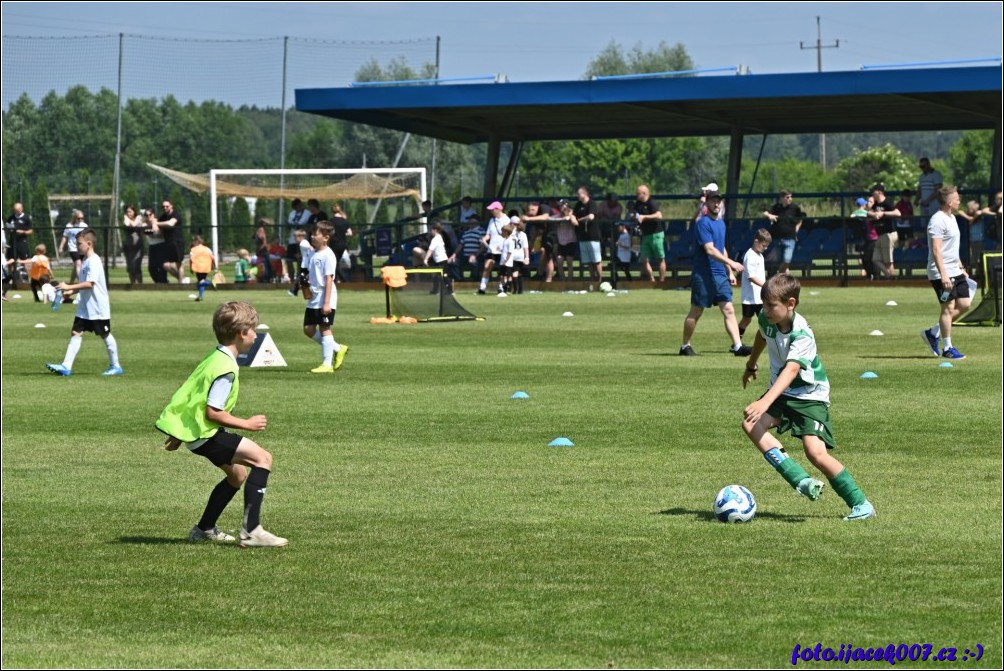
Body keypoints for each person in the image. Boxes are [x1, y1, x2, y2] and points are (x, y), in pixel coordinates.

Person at [741, 273, 875, 521]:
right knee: (751, 423)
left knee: (815, 452)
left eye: (771, 305)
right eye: (764, 304)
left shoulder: (802, 333)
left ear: (790, 304)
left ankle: (861, 504)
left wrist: (764, 401)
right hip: (782, 391)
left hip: (810, 396)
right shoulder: (766, 318)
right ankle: (801, 481)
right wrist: (751, 364)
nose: (765, 310)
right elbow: (762, 335)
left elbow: (792, 369)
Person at [155, 301, 288, 547]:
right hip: (206, 434)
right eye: (253, 330)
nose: (256, 335)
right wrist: (247, 423)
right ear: (242, 333)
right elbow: (213, 412)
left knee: (237, 475)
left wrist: (179, 434)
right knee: (263, 459)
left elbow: (190, 395)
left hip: (198, 434)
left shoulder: (214, 357)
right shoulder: (226, 367)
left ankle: (204, 529)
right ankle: (252, 531)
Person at [679, 192, 750, 357]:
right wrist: (732, 262)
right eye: (713, 201)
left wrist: (729, 271)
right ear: (707, 204)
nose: (716, 204)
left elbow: (721, 248)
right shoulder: (703, 223)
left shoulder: (721, 223)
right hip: (703, 275)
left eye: (719, 201)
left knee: (729, 309)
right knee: (696, 311)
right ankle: (685, 346)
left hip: (720, 275)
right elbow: (710, 249)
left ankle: (738, 347)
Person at [45, 229, 123, 377]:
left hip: (97, 307)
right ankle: (66, 366)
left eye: (79, 244)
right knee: (76, 332)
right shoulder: (85, 261)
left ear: (89, 243)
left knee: (105, 334)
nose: (77, 247)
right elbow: (83, 285)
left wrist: (68, 286)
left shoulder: (94, 261)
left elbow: (90, 284)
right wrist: (70, 292)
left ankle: (116, 365)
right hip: (85, 307)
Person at [921, 186, 971, 361]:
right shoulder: (937, 220)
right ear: (949, 202)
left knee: (965, 304)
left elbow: (951, 247)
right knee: (948, 308)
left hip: (955, 270)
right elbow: (936, 249)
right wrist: (943, 275)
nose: (959, 201)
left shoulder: (952, 218)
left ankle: (933, 332)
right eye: (957, 199)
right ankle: (948, 348)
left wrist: (960, 267)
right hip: (940, 272)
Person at [302, 222, 348, 374]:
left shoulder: (328, 255)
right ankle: (337, 348)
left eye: (316, 234)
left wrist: (326, 303)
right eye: (312, 234)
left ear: (326, 238)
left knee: (324, 328)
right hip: (314, 297)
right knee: (308, 329)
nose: (312, 237)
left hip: (325, 296)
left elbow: (329, 280)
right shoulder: (312, 253)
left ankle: (327, 364)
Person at [737, 228, 771, 337]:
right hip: (749, 297)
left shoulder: (760, 255)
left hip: (759, 296)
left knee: (766, 319)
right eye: (763, 245)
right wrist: (766, 285)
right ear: (756, 241)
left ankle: (768, 339)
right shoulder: (750, 256)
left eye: (767, 246)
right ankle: (736, 341)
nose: (765, 248)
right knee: (746, 320)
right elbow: (751, 277)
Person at [762, 190, 804, 275]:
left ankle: (779, 274)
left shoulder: (795, 208)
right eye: (787, 197)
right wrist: (770, 215)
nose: (790, 199)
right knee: (780, 263)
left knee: (787, 260)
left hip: (790, 238)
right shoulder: (776, 207)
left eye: (791, 197)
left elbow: (800, 220)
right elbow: (764, 213)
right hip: (777, 239)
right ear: (782, 198)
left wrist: (796, 230)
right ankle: (784, 279)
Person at [633, 185, 665, 283]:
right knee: (644, 259)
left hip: (656, 234)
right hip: (645, 235)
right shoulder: (638, 203)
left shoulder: (652, 202)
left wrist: (644, 217)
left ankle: (662, 281)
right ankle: (652, 279)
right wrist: (633, 216)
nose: (636, 195)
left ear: (644, 193)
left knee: (660, 258)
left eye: (638, 194)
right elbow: (635, 213)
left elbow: (659, 215)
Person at [867, 185, 901, 277]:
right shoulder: (875, 204)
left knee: (888, 261)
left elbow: (898, 213)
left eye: (874, 191)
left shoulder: (887, 202)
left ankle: (892, 279)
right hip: (880, 235)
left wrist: (883, 213)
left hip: (888, 234)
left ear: (879, 192)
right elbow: (867, 212)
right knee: (875, 259)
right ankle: (890, 276)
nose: (872, 193)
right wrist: (871, 210)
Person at [478, 201, 508, 294]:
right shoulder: (492, 220)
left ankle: (502, 288)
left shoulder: (507, 220)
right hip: (492, 248)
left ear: (498, 209)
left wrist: (502, 246)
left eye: (493, 209)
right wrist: (484, 239)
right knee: (487, 267)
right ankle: (482, 288)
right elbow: (489, 234)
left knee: (503, 270)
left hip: (502, 249)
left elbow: (508, 235)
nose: (491, 211)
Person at [574, 186, 602, 282]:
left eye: (579, 194)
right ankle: (592, 280)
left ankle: (599, 281)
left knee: (596, 260)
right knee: (588, 261)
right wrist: (573, 218)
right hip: (583, 237)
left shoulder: (592, 203)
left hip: (593, 237)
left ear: (584, 194)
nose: (577, 196)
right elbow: (573, 215)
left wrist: (579, 220)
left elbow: (591, 217)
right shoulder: (578, 205)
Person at [157, 200, 187, 283]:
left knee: (179, 264)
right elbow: (155, 225)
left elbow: (171, 224)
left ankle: (181, 284)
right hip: (168, 244)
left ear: (171, 206)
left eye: (167, 206)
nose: (165, 208)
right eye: (163, 207)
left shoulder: (175, 214)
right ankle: (183, 280)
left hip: (177, 242)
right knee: (165, 265)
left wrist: (156, 223)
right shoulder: (163, 217)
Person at [5, 202, 34, 284]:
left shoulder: (26, 218)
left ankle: (28, 280)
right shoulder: (11, 218)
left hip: (22, 242)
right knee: (11, 261)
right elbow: (7, 228)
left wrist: (22, 232)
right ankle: (11, 279)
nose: (16, 212)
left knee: (24, 261)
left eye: (18, 210)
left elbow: (31, 231)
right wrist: (10, 230)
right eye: (15, 210)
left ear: (22, 209)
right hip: (12, 242)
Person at [59, 209, 89, 284]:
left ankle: (71, 283)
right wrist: (61, 247)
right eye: (79, 218)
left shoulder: (84, 226)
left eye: (82, 218)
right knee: (78, 264)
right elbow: (65, 237)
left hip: (81, 249)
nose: (80, 220)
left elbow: (88, 237)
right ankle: (81, 283)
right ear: (75, 217)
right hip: (72, 248)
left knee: (76, 266)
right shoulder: (69, 226)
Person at [285, 198, 312, 281]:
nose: (298, 207)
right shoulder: (292, 213)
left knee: (301, 260)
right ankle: (292, 279)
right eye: (296, 206)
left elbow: (301, 224)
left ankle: (301, 278)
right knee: (289, 260)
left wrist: (296, 225)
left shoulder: (307, 213)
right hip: (292, 240)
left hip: (302, 241)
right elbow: (290, 224)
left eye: (299, 205)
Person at [423, 222, 452, 295]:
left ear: (435, 230)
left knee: (444, 276)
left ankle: (450, 291)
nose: (430, 232)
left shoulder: (436, 239)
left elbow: (430, 250)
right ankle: (436, 290)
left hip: (441, 260)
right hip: (438, 260)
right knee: (436, 276)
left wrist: (426, 259)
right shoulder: (439, 237)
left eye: (431, 230)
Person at [122, 204, 146, 285]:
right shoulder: (125, 219)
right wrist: (126, 218)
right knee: (130, 267)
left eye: (130, 211)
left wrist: (127, 219)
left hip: (138, 247)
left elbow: (134, 224)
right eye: (127, 212)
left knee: (137, 266)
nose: (129, 213)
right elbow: (126, 224)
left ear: (134, 211)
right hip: (128, 247)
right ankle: (133, 284)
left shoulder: (138, 217)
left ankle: (140, 285)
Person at [916, 157, 944, 225]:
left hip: (934, 205)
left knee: (934, 223)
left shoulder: (936, 174)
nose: (922, 168)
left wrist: (927, 201)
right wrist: (917, 200)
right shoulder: (921, 177)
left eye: (923, 166)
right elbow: (920, 189)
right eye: (921, 167)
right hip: (924, 205)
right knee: (925, 224)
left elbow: (938, 190)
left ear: (928, 165)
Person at [189, 235, 217, 302]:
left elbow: (191, 259)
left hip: (198, 267)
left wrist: (191, 268)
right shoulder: (207, 249)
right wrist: (214, 266)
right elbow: (212, 258)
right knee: (202, 281)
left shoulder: (193, 249)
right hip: (206, 267)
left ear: (196, 241)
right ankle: (200, 296)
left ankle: (211, 284)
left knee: (200, 282)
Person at [496, 223, 516, 295]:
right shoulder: (505, 240)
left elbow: (510, 252)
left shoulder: (510, 241)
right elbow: (504, 250)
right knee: (501, 276)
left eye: (503, 232)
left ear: (506, 232)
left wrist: (506, 261)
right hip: (502, 261)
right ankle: (504, 287)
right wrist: (500, 249)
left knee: (508, 276)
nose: (501, 233)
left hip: (507, 262)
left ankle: (509, 288)